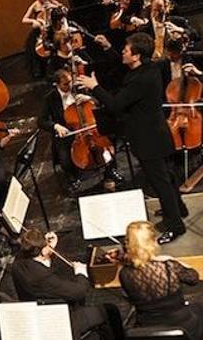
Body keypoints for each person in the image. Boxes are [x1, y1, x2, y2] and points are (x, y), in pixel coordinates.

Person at [78, 33, 187, 244]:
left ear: (136, 55)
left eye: (126, 50)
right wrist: (108, 49)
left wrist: (94, 88)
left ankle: (175, 225)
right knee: (168, 176)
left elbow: (116, 104)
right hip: (157, 133)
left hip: (147, 138)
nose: (123, 52)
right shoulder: (148, 68)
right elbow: (120, 71)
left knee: (160, 182)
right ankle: (178, 209)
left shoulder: (140, 80)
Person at [10, 228, 123, 340]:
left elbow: (39, 262)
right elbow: (79, 292)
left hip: (36, 309)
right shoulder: (43, 277)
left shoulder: (18, 263)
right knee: (110, 311)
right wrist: (81, 273)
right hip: (58, 318)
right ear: (43, 250)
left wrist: (49, 248)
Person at [117, 221, 203, 340]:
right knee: (199, 311)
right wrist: (172, 260)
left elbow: (128, 297)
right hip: (183, 326)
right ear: (153, 241)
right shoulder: (168, 265)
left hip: (147, 331)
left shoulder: (124, 273)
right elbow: (194, 278)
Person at [39, 68, 123, 193]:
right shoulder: (50, 98)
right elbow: (41, 121)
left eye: (70, 81)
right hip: (68, 133)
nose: (70, 85)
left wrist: (90, 99)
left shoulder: (80, 89)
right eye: (65, 84)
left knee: (108, 142)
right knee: (65, 161)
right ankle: (73, 179)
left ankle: (110, 171)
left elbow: (102, 102)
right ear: (56, 84)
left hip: (89, 127)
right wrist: (56, 126)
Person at [157, 37, 203, 162]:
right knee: (159, 127)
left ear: (183, 49)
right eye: (170, 53)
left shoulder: (196, 58)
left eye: (176, 53)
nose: (173, 56)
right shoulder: (161, 65)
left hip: (195, 102)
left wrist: (199, 73)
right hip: (172, 105)